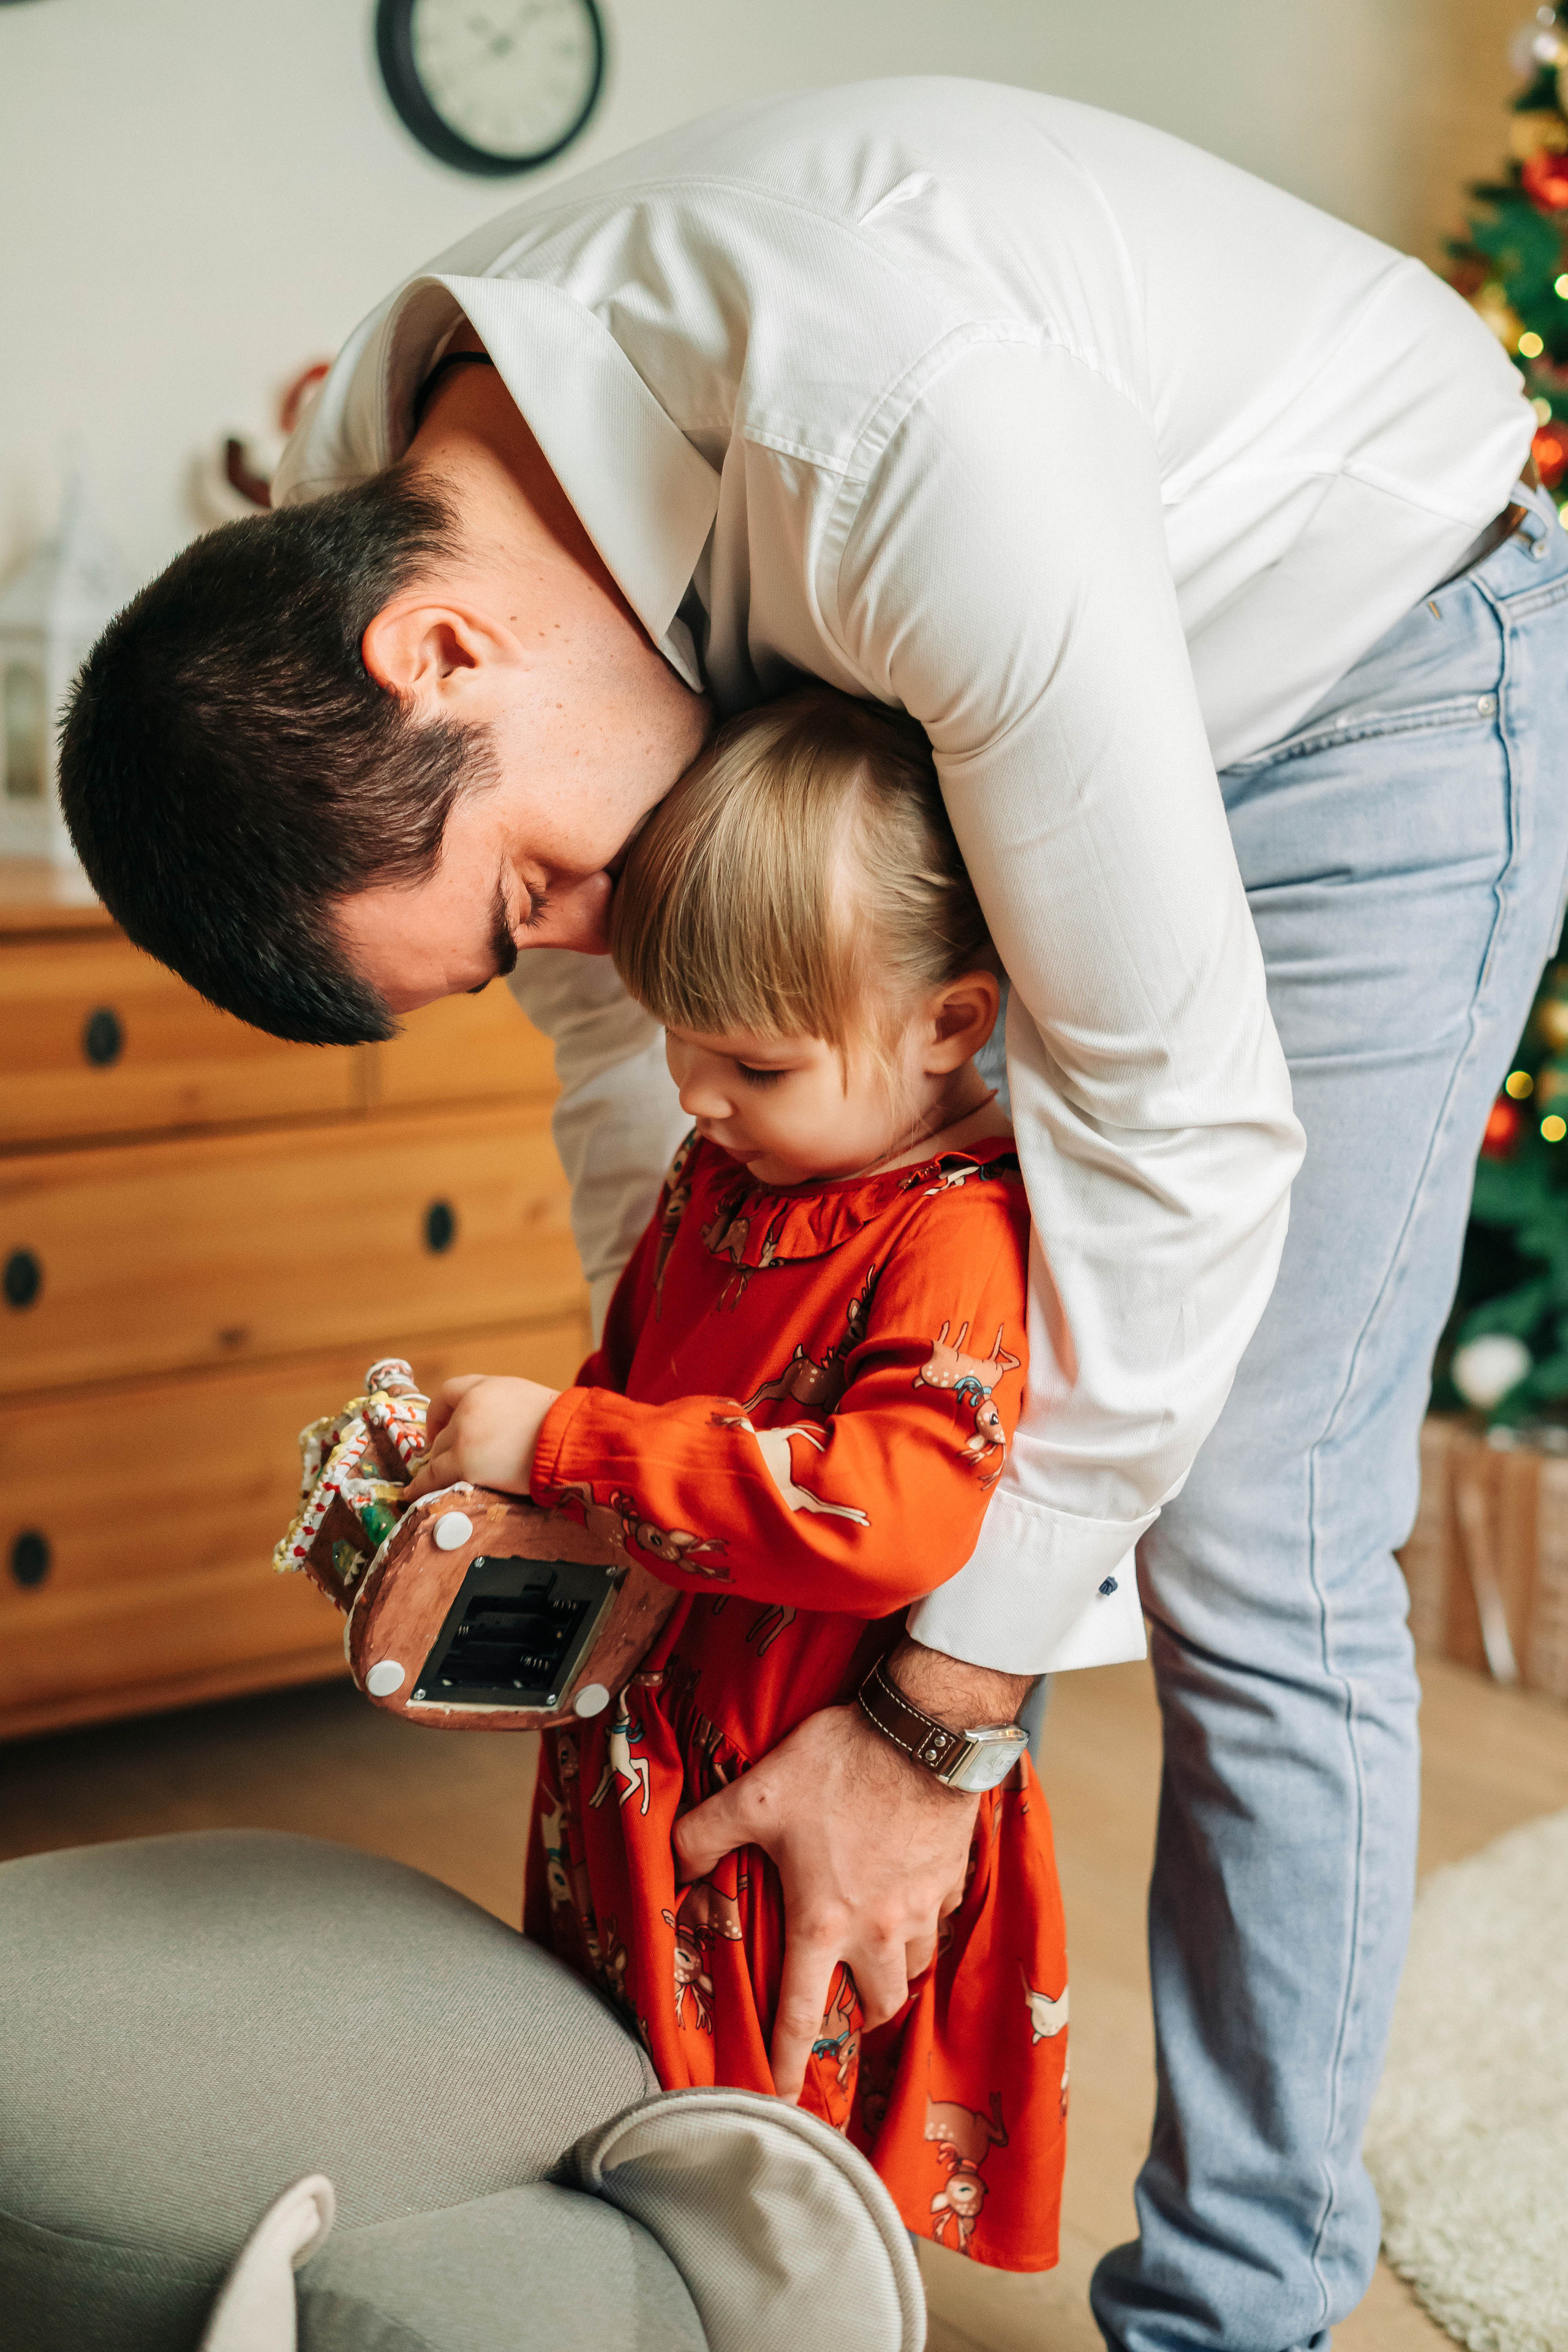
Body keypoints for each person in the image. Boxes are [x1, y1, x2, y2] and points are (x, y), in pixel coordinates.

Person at [58, 80, 1568, 2351]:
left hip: (1362, 677)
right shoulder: (379, 533)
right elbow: (621, 1061)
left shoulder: (905, 437)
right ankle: (777, 2211)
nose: (561, 930)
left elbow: (1183, 1128)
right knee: (868, 1444)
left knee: (1250, 1522)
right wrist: (660, 1479)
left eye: (528, 887)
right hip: (971, 708)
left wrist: (937, 1717)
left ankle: (1239, 2311)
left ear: (444, 658)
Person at [402, 687, 1068, 2271]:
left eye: (751, 1063)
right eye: (677, 1044)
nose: (696, 1097)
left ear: (951, 1025)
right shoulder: (727, 1173)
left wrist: (562, 1444)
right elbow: (637, 1392)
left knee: (771, 2163)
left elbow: (887, 1505)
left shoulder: (953, 1236)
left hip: (795, 1764)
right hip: (654, 1729)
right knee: (615, 2096)